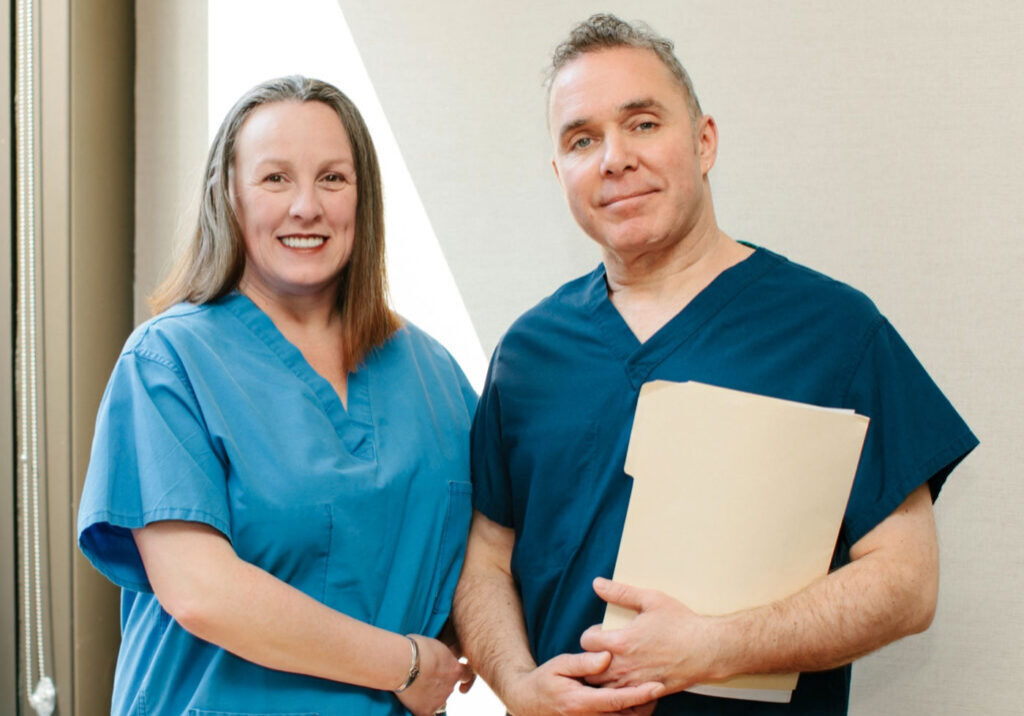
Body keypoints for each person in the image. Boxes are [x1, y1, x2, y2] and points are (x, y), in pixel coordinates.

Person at [453, 14, 977, 716]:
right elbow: (487, 557)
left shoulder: (833, 331)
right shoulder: (528, 354)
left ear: (704, 142)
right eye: (582, 140)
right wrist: (517, 686)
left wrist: (715, 647)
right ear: (560, 173)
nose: (613, 158)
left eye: (642, 123)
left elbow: (907, 582)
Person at [78, 76, 474, 716]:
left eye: (333, 179)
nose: (306, 207)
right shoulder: (168, 363)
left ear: (362, 198)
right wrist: (403, 665)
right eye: (275, 179)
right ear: (229, 197)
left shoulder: (432, 375)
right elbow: (202, 590)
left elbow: (486, 550)